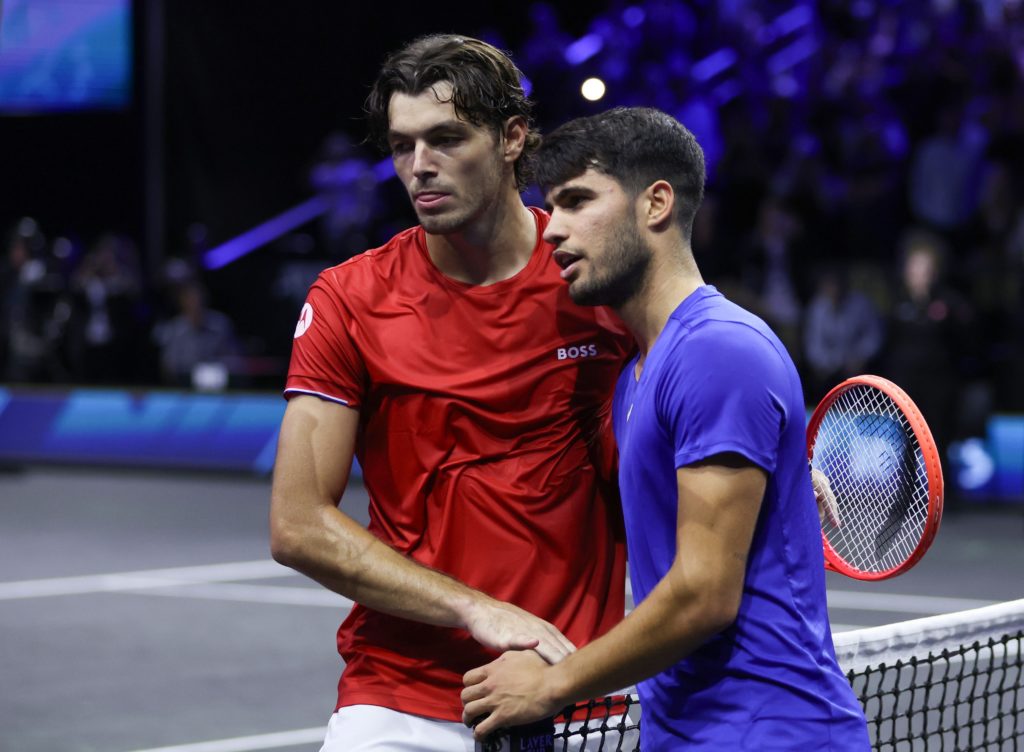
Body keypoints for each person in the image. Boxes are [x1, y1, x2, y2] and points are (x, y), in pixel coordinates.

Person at [461, 107, 870, 750]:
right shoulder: (638, 373)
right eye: (551, 206)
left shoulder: (718, 351)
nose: (552, 231)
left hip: (770, 734)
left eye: (575, 201)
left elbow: (704, 595)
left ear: (656, 204)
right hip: (690, 733)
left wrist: (551, 684)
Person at [268, 34, 633, 751]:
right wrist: (476, 609)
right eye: (402, 146)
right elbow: (297, 524)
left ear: (512, 138)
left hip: (577, 690)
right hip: (400, 699)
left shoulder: (597, 284)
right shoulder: (350, 299)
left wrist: (766, 473)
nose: (419, 167)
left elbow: (684, 422)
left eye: (444, 139)